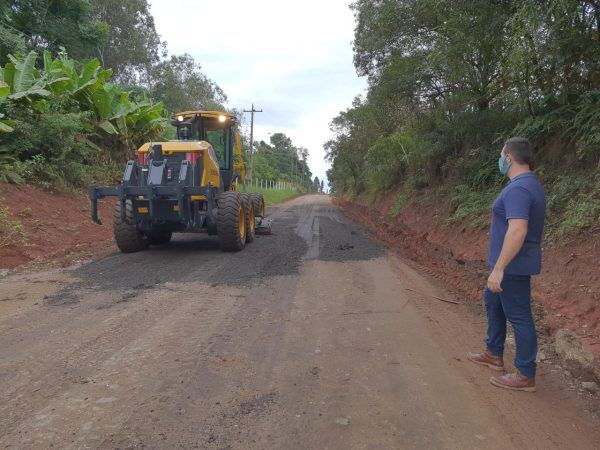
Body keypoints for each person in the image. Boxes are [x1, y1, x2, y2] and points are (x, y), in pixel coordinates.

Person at [468, 137, 546, 392]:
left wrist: (499, 268)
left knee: (519, 316)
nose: (500, 160)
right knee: (493, 303)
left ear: (509, 158)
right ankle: (493, 353)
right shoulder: (526, 185)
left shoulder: (518, 189)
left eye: (502, 155)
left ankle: (525, 373)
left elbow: (517, 231)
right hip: (509, 264)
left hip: (512, 266)